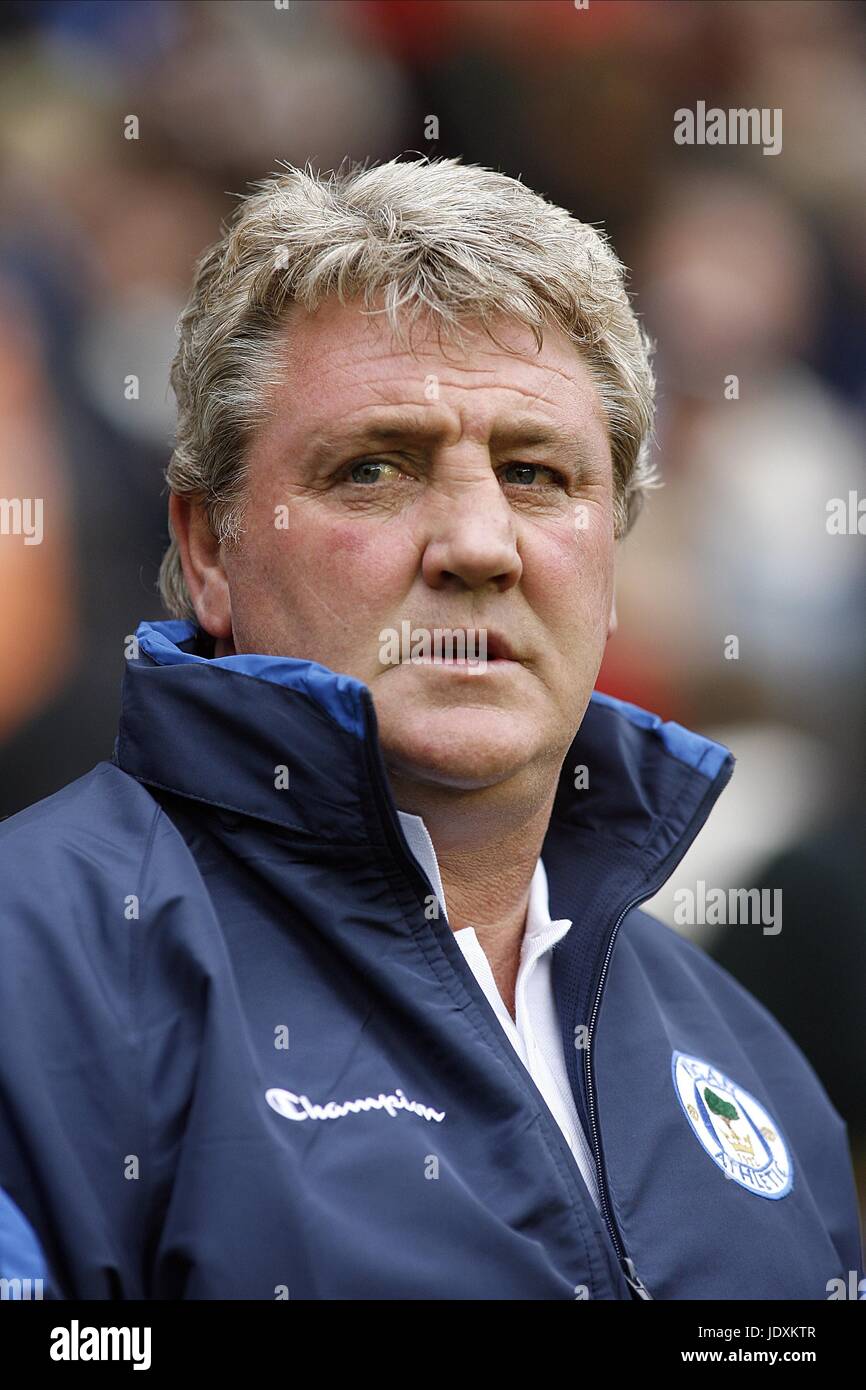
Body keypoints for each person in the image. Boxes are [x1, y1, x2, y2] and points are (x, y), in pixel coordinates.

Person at [0, 157, 861, 1300]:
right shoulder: (34, 971)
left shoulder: (752, 1065)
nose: (476, 542)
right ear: (210, 548)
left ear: (610, 562)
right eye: (375, 468)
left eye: (536, 473)